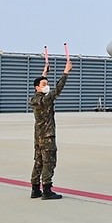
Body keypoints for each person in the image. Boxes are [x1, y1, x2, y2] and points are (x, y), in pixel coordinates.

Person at [29, 57, 72, 200]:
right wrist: (65, 72)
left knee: (38, 162)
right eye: (44, 84)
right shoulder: (45, 100)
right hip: (47, 137)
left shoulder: (35, 99)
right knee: (49, 162)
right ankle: (47, 189)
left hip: (38, 137)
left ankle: (35, 189)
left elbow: (40, 85)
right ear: (38, 87)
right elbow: (57, 90)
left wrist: (44, 73)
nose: (47, 85)